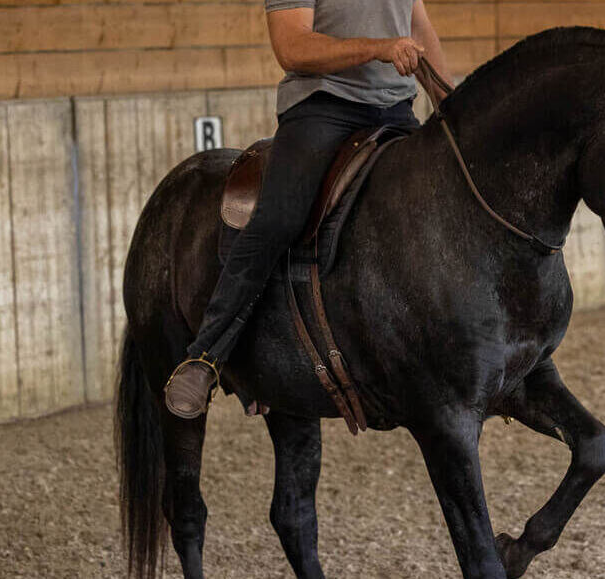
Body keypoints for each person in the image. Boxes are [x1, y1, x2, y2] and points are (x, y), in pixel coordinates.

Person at [164, 0, 450, 419]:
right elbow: (293, 47)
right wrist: (377, 48)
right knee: (278, 219)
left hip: (395, 108)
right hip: (324, 107)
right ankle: (207, 355)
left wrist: (450, 107)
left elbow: (419, 26)